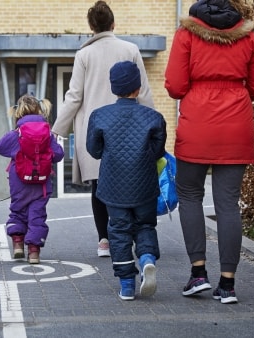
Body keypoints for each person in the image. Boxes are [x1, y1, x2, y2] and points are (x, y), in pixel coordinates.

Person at [164, 0, 254, 304]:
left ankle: (198, 274)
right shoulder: (248, 36)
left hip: (197, 124)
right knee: (227, 203)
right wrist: (234, 91)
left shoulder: (187, 34)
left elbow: (174, 85)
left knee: (190, 196)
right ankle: (228, 283)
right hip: (236, 125)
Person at [51, 0, 155, 257]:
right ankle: (130, 235)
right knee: (131, 182)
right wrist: (151, 124)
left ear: (91, 27)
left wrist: (57, 130)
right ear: (113, 24)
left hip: (96, 130)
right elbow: (144, 91)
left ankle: (105, 241)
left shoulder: (83, 55)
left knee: (100, 186)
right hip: (130, 128)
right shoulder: (130, 49)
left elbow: (74, 96)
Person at [86, 61, 166, 300]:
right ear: (138, 87)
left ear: (114, 87)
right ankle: (147, 259)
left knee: (118, 232)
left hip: (113, 187)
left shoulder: (99, 116)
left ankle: (127, 286)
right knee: (145, 226)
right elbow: (158, 151)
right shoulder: (154, 117)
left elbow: (94, 150)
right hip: (145, 186)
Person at [0, 94, 65, 264]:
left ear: (18, 112)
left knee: (18, 210)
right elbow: (59, 154)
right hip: (41, 184)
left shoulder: (17, 133)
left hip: (19, 181)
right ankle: (34, 253)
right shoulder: (47, 134)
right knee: (37, 215)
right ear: (39, 109)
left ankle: (18, 245)